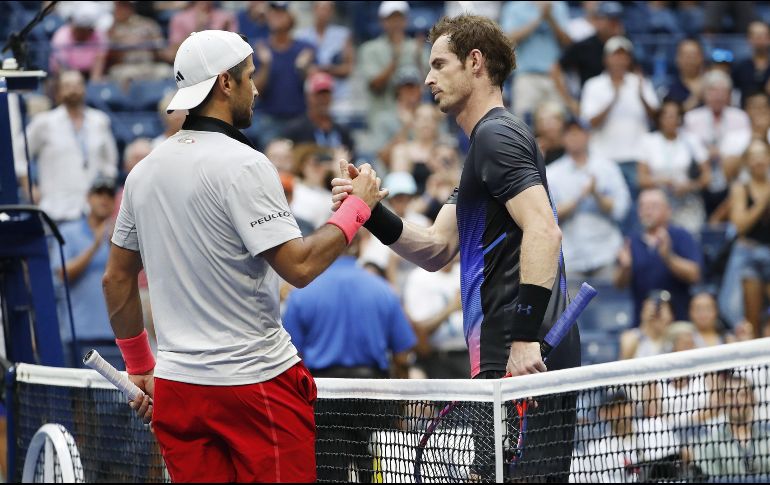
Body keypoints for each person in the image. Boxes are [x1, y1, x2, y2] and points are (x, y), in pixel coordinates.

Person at [103, 30, 385, 483]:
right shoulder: (245, 164)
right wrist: (359, 209)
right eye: (250, 77)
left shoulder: (142, 173)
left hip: (178, 387)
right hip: (255, 386)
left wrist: (140, 368)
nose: (256, 89)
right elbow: (301, 265)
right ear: (225, 84)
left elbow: (115, 281)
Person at [332, 14, 580, 481]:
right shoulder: (484, 148)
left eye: (439, 64)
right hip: (506, 349)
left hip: (521, 348)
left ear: (475, 62)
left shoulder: (496, 136)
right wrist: (368, 211)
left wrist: (525, 338)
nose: (427, 77)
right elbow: (435, 249)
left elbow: (544, 231)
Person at [282, 234, 416, 482]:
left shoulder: (302, 293)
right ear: (358, 247)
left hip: (324, 395)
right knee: (378, 472)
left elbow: (290, 355)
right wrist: (401, 406)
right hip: (372, 395)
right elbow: (401, 354)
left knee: (329, 473)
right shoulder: (382, 290)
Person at [547, 117, 630, 286]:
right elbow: (549, 217)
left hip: (605, 253)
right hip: (571, 257)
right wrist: (579, 197)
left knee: (609, 311)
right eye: (570, 133)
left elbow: (621, 209)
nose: (575, 137)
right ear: (563, 138)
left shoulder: (607, 168)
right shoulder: (552, 173)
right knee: (572, 312)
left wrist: (596, 194)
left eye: (579, 133)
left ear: (588, 135)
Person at [26, 70, 118, 223]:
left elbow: (110, 162)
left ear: (84, 88)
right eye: (67, 86)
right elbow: (19, 155)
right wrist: (30, 188)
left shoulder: (100, 121)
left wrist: (103, 195)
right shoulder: (44, 122)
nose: (73, 90)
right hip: (55, 209)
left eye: (77, 85)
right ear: (59, 91)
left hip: (91, 212)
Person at [580, 35, 659, 195]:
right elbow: (588, 123)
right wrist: (612, 99)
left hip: (637, 157)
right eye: (615, 55)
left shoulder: (641, 82)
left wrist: (642, 96)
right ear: (606, 59)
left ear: (629, 59)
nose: (619, 60)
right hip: (604, 157)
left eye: (623, 56)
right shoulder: (593, 85)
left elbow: (657, 118)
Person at [615, 189, 703, 326]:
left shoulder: (681, 236)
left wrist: (668, 257)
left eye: (654, 206)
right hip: (643, 324)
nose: (648, 211)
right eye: (643, 206)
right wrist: (625, 267)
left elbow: (695, 275)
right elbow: (618, 285)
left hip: (678, 322)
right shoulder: (631, 241)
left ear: (668, 210)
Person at [55, 178, 118, 368]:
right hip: (80, 333)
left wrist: (113, 244)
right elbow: (63, 273)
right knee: (80, 397)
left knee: (114, 397)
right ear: (88, 198)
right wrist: (95, 245)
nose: (104, 199)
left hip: (115, 334)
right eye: (99, 194)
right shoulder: (68, 231)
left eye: (109, 195)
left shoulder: (119, 235)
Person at [683, 69, 751, 220]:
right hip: (701, 174)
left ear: (729, 94)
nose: (718, 96)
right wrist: (707, 154)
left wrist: (721, 153)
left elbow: (744, 147)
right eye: (713, 91)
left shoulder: (740, 117)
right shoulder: (692, 118)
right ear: (705, 93)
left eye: (723, 91)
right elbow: (688, 147)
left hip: (731, 175)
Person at [637, 100, 710, 235]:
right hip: (658, 201)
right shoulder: (648, 141)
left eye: (675, 116)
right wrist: (662, 181)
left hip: (686, 201)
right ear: (660, 119)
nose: (671, 120)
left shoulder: (691, 140)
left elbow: (707, 177)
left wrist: (691, 185)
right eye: (667, 116)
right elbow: (641, 179)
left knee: (689, 236)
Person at [253, 1, 316, 143]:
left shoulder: (305, 49)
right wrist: (265, 65)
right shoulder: (259, 48)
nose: (276, 17)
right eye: (273, 13)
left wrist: (304, 68)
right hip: (269, 119)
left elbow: (316, 88)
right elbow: (255, 91)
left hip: (300, 117)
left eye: (281, 13)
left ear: (291, 18)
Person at [500, 1, 572, 119]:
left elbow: (567, 42)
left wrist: (550, 18)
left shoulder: (558, 6)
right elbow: (508, 41)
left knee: (559, 123)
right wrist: (539, 18)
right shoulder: (514, 7)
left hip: (555, 76)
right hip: (526, 76)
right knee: (524, 124)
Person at [727, 139, 770, 338]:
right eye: (753, 156)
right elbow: (740, 226)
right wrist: (763, 201)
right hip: (750, 254)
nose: (758, 160)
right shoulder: (740, 188)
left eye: (762, 154)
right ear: (746, 162)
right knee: (751, 320)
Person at [552, 0, 625, 115]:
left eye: (617, 20)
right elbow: (555, 69)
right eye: (610, 20)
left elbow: (636, 73)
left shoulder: (624, 46)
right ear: (598, 21)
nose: (614, 25)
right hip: (590, 105)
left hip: (620, 104)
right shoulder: (585, 45)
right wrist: (570, 101)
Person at [358, 1, 424, 126]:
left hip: (414, 120)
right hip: (381, 119)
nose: (396, 23)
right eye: (391, 19)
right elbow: (374, 85)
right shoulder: (369, 49)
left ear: (406, 20)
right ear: (382, 21)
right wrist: (395, 60)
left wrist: (419, 59)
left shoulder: (416, 47)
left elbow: (426, 86)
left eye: (399, 18)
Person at [694, 374, 770, 478]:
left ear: (753, 398)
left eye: (742, 394)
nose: (736, 401)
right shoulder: (709, 445)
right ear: (723, 401)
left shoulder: (768, 438)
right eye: (730, 395)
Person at [403, 259, 467, 379]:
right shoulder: (419, 278)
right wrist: (450, 309)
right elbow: (419, 330)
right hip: (437, 357)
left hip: (468, 355)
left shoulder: (466, 271)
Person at [282, 72, 355, 154]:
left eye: (326, 94)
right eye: (318, 95)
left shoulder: (342, 132)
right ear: (307, 97)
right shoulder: (295, 130)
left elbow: (352, 158)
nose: (323, 99)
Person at [105, 0, 172, 85]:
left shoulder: (148, 24)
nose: (124, 8)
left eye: (126, 5)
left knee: (166, 71)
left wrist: (148, 41)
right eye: (121, 5)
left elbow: (162, 51)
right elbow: (108, 55)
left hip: (148, 65)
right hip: (126, 66)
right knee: (120, 74)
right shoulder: (113, 28)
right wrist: (125, 43)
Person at [49, 2, 108, 80]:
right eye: (82, 28)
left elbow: (99, 62)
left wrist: (94, 85)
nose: (86, 31)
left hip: (89, 75)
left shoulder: (98, 35)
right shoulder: (62, 35)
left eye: (88, 28)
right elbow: (59, 67)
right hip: (67, 75)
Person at [619, 291, 674, 360]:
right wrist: (646, 321)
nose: (657, 311)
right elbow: (624, 363)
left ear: (671, 315)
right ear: (643, 311)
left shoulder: (675, 338)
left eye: (663, 306)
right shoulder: (632, 338)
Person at [732, 21, 770, 107]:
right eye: (756, 36)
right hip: (745, 114)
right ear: (749, 39)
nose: (760, 39)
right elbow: (734, 95)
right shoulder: (740, 68)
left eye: (763, 35)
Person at [665, 38, 706, 112]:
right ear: (677, 59)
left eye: (693, 55)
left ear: (701, 57)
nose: (690, 60)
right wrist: (694, 99)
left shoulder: (713, 84)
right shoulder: (670, 89)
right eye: (686, 55)